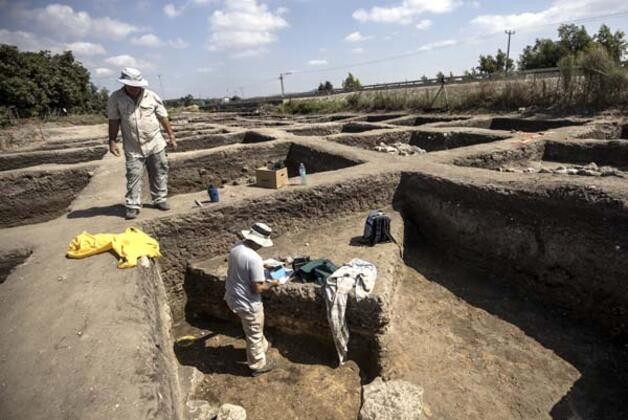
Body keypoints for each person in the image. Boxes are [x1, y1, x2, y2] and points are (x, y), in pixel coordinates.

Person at [107, 67, 177, 220]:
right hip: (133, 146)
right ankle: (132, 205)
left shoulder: (151, 96)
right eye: (131, 86)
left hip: (155, 142)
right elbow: (113, 120)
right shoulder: (116, 98)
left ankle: (160, 199)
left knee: (159, 171)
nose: (134, 89)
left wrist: (171, 136)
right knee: (133, 175)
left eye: (136, 86)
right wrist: (112, 141)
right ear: (125, 84)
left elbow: (163, 117)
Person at [224, 222, 279, 376]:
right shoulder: (253, 258)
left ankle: (264, 346)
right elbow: (258, 288)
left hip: (233, 296)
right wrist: (273, 283)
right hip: (248, 303)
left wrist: (261, 266)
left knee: (252, 327)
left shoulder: (237, 247)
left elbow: (244, 266)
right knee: (253, 333)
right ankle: (257, 365)